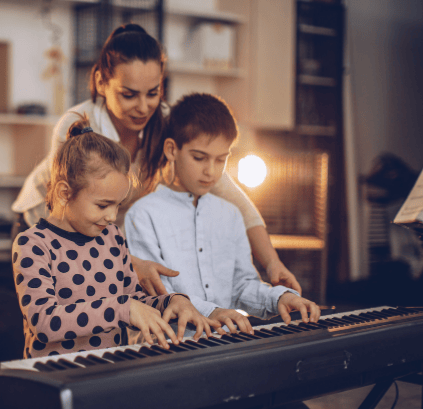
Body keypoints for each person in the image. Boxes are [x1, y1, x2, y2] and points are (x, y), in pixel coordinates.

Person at [11, 23, 301, 298]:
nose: (143, 107)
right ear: (101, 82)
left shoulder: (166, 123)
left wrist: (272, 263)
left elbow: (233, 196)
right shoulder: (75, 124)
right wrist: (128, 263)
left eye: (153, 93)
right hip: (49, 229)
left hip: (106, 235)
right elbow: (68, 214)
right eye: (129, 95)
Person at [11, 117, 220, 359]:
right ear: (64, 193)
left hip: (108, 371)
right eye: (102, 205)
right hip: (56, 377)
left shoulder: (112, 237)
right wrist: (122, 309)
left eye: (118, 206)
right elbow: (44, 323)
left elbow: (133, 300)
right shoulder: (33, 245)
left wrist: (173, 302)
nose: (111, 216)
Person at [125, 93, 321, 335]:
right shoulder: (143, 214)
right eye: (199, 158)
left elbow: (241, 285)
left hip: (225, 343)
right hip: (171, 345)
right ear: (172, 150)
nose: (211, 171)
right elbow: (159, 293)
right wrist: (213, 311)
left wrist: (278, 298)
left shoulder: (230, 215)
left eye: (221, 160)